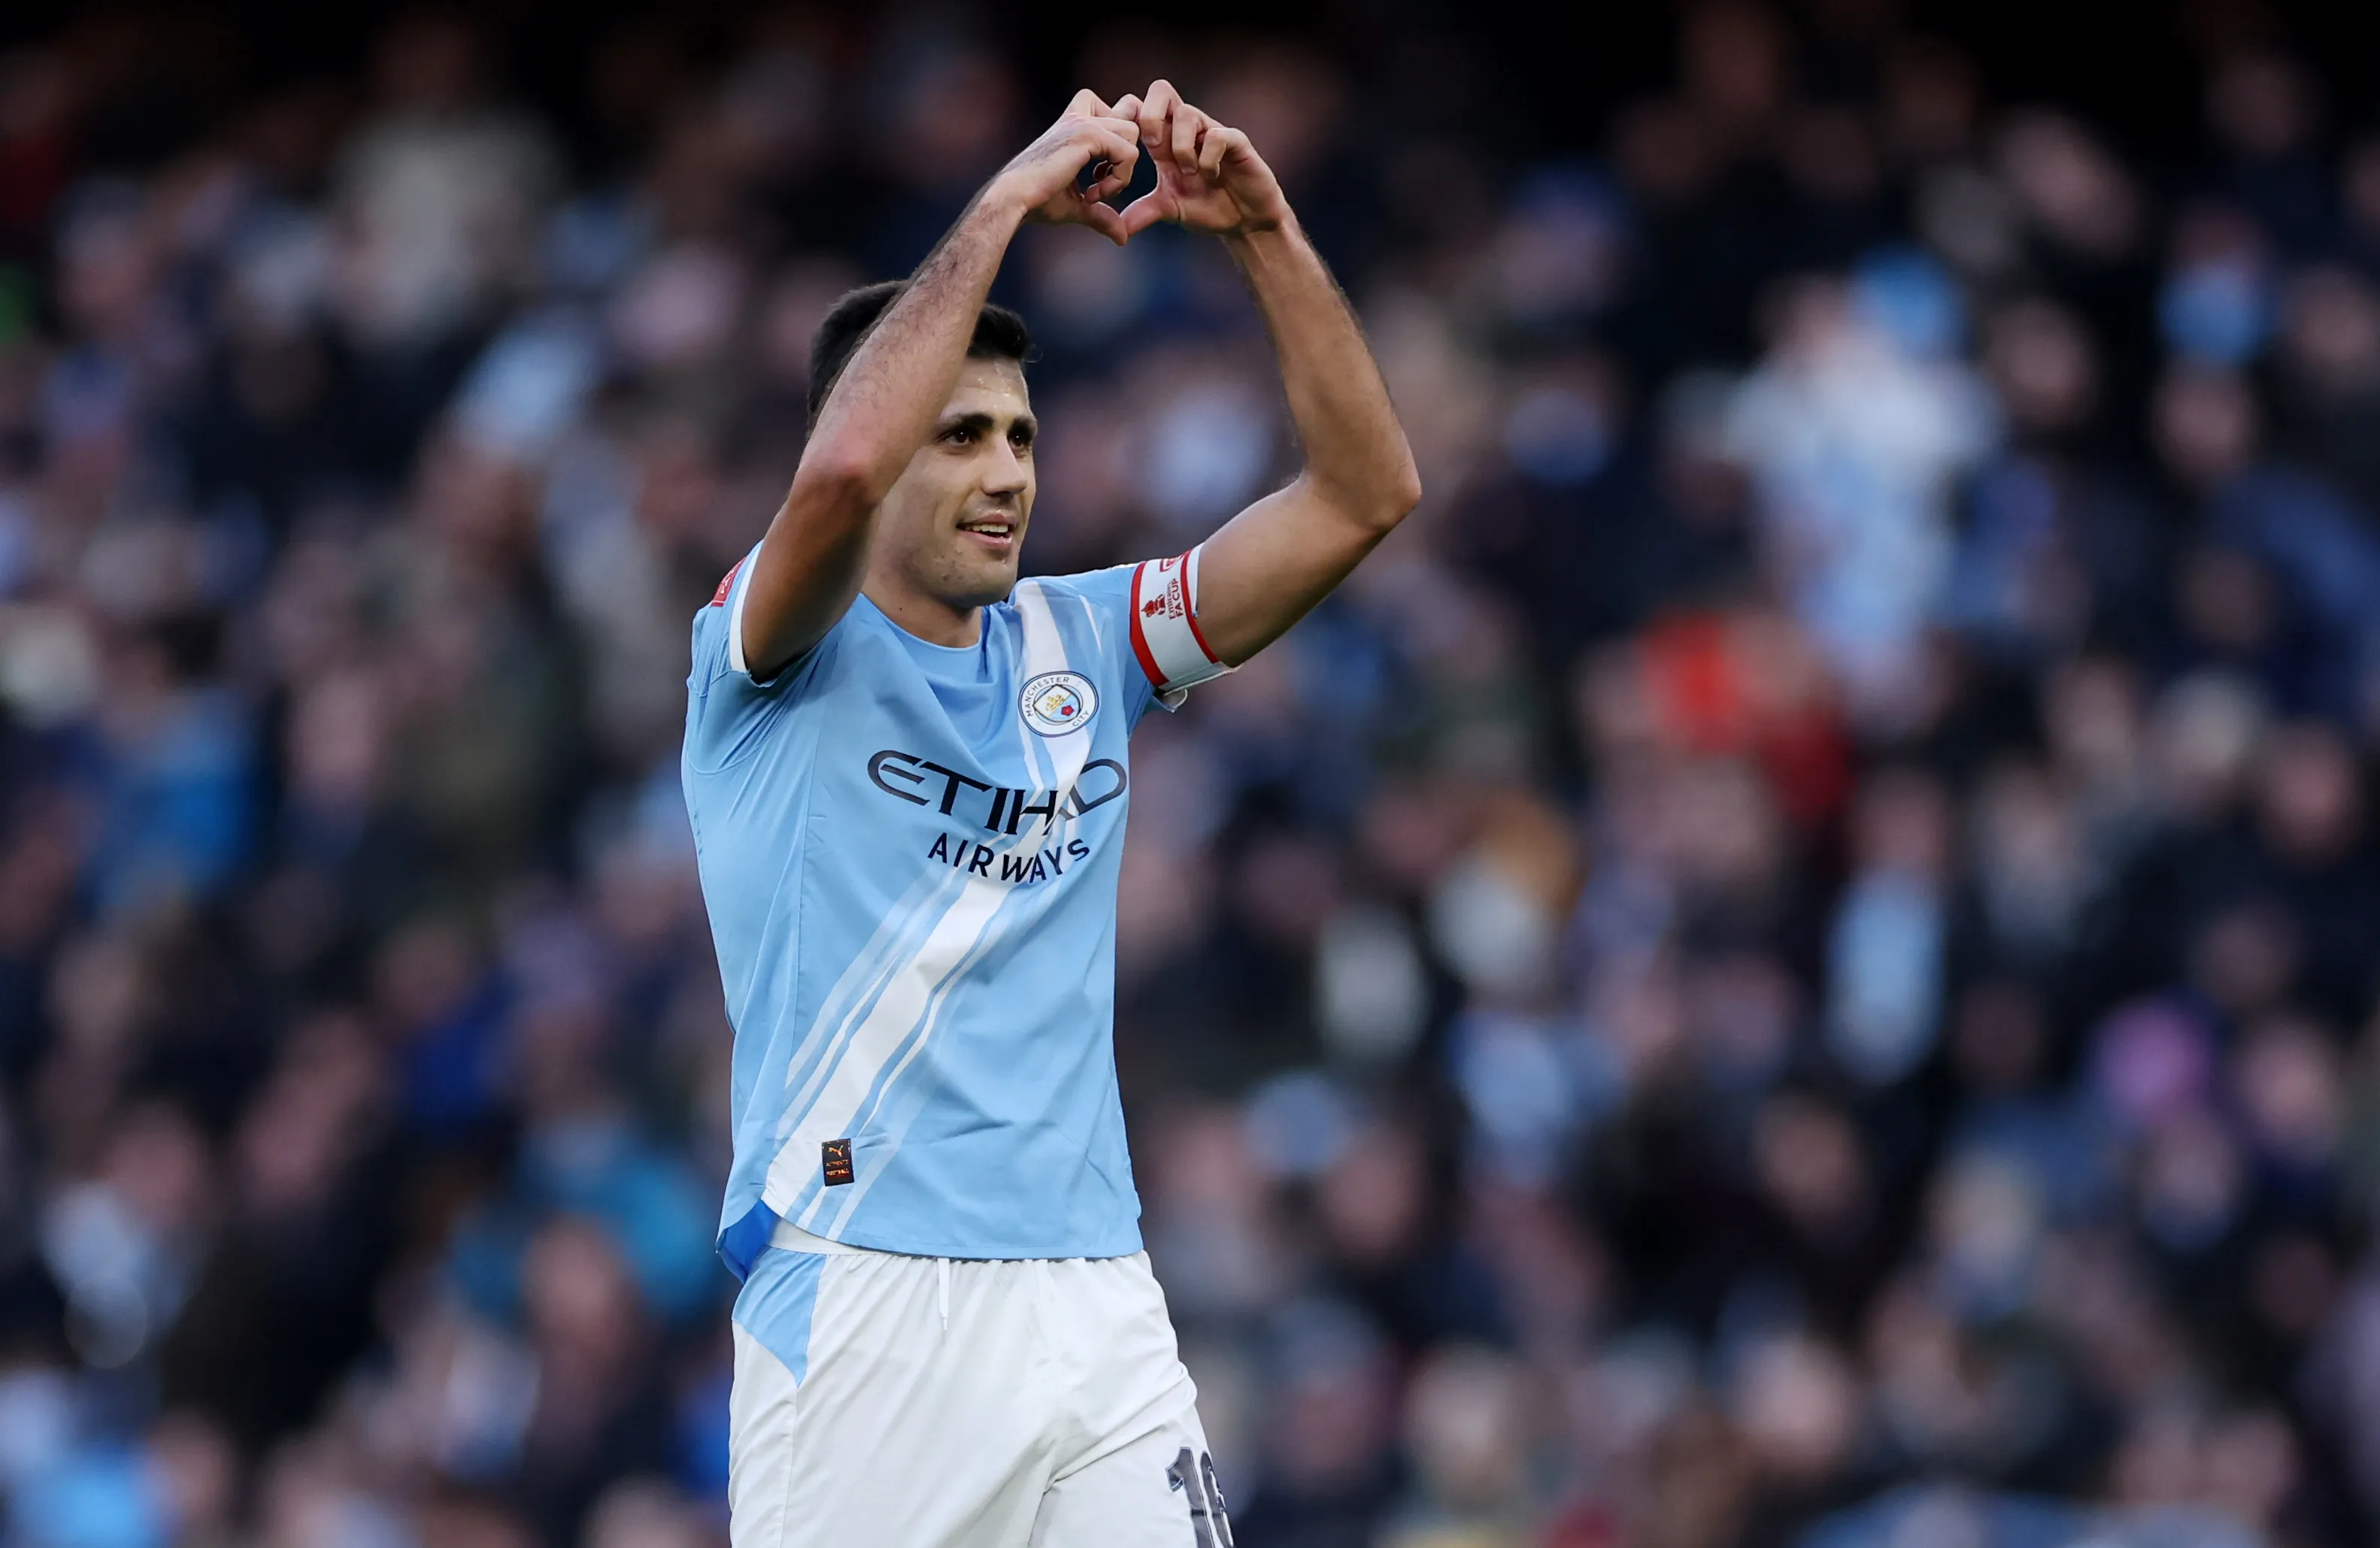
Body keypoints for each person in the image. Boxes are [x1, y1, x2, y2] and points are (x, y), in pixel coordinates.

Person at [681, 82, 1420, 1546]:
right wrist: (1004, 205)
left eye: (1019, 438)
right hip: (863, 1290)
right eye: (957, 436)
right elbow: (832, 474)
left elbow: (1363, 494)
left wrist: (1264, 235)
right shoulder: (764, 655)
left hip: (1096, 1298)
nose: (1007, 473)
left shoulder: (1087, 643)